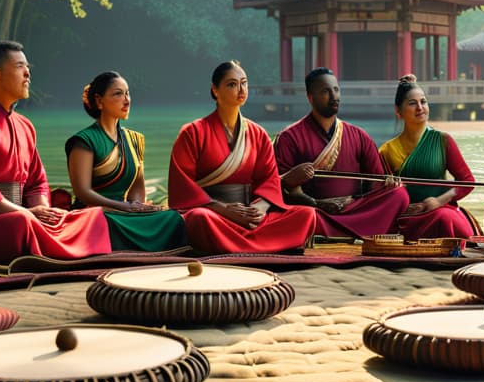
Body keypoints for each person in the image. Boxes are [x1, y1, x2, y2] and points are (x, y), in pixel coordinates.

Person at [0, 41, 110, 262]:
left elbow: (37, 182)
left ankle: (49, 245)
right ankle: (55, 248)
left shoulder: (25, 126)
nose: (28, 73)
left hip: (25, 216)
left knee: (90, 216)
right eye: (20, 66)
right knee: (22, 224)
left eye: (27, 66)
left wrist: (42, 211)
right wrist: (28, 214)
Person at [167, 61, 316, 253]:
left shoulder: (258, 133)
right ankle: (266, 247)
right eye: (232, 84)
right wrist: (224, 209)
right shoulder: (193, 132)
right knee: (199, 219)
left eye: (244, 83)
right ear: (215, 90)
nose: (241, 89)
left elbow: (269, 180)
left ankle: (233, 246)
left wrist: (259, 210)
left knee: (307, 214)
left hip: (249, 214)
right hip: (215, 213)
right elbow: (182, 186)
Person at [274, 67, 410, 239]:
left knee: (399, 195)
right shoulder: (289, 137)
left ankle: (338, 231)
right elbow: (277, 189)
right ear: (310, 97)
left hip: (353, 210)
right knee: (302, 216)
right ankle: (350, 231)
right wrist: (317, 203)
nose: (334, 97)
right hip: (315, 211)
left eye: (336, 90)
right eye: (325, 91)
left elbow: (377, 183)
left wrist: (387, 185)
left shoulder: (359, 136)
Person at [64, 71, 186, 251]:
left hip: (125, 212)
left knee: (172, 218)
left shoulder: (134, 139)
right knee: (104, 222)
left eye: (127, 93)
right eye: (118, 94)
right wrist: (122, 207)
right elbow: (82, 192)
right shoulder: (84, 141)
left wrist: (137, 207)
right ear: (99, 101)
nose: (127, 100)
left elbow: (137, 189)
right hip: (96, 213)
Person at [377, 75, 476, 239]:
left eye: (423, 102)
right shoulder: (386, 150)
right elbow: (379, 194)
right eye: (412, 103)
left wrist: (439, 201)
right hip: (406, 217)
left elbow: (468, 181)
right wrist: (390, 189)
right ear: (398, 111)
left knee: (443, 219)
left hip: (441, 210)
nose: (420, 108)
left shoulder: (442, 140)